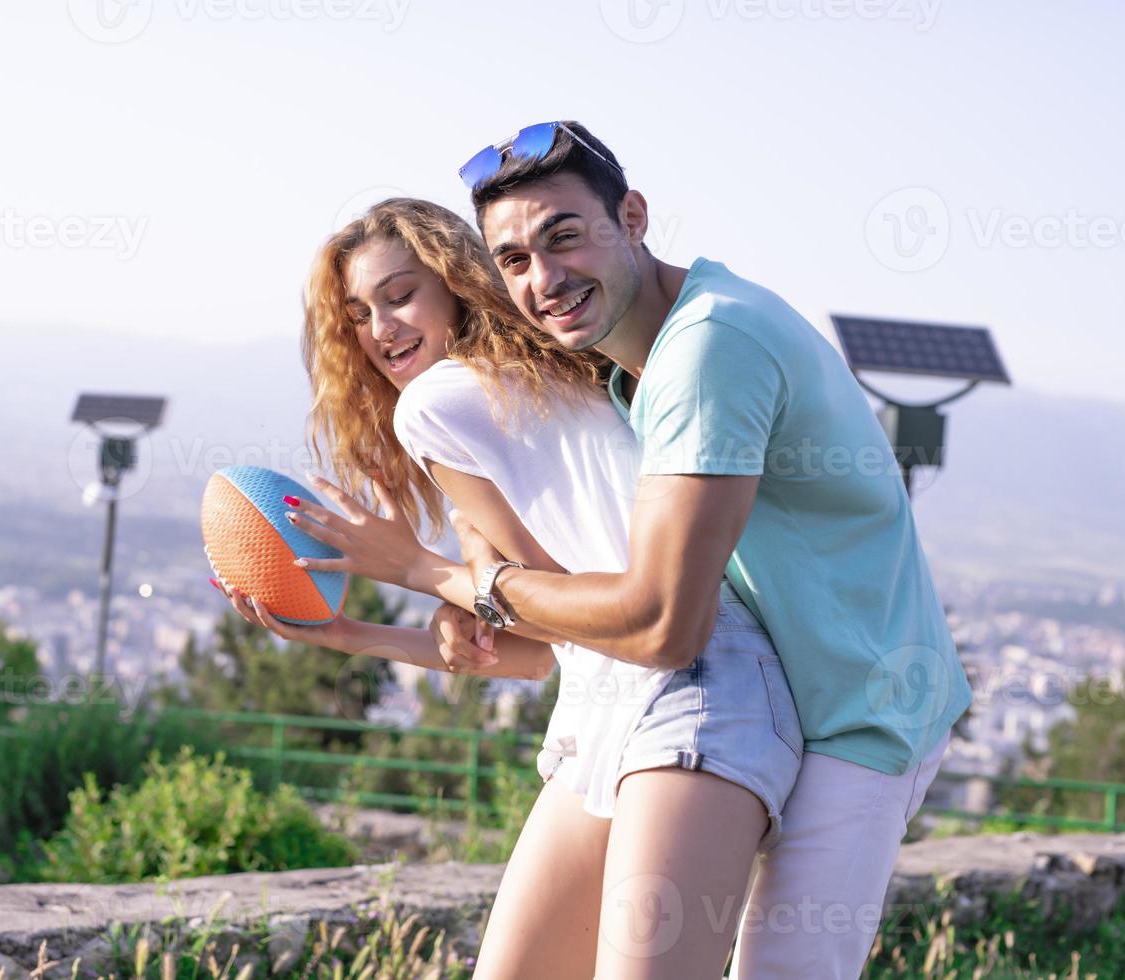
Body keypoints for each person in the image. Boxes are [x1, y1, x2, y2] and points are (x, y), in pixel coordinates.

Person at [414, 120, 972, 978]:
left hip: (858, 710)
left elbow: (664, 623)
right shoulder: (629, 358)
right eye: (514, 260)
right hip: (766, 690)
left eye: (565, 237)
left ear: (632, 217)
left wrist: (469, 583)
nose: (545, 278)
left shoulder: (710, 348)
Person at [209, 197, 801, 979]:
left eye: (399, 296)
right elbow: (529, 654)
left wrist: (422, 569)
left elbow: (550, 607)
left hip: (694, 692)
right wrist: (351, 636)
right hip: (616, 703)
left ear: (457, 286)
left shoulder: (439, 404)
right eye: (358, 313)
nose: (379, 328)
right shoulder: (512, 389)